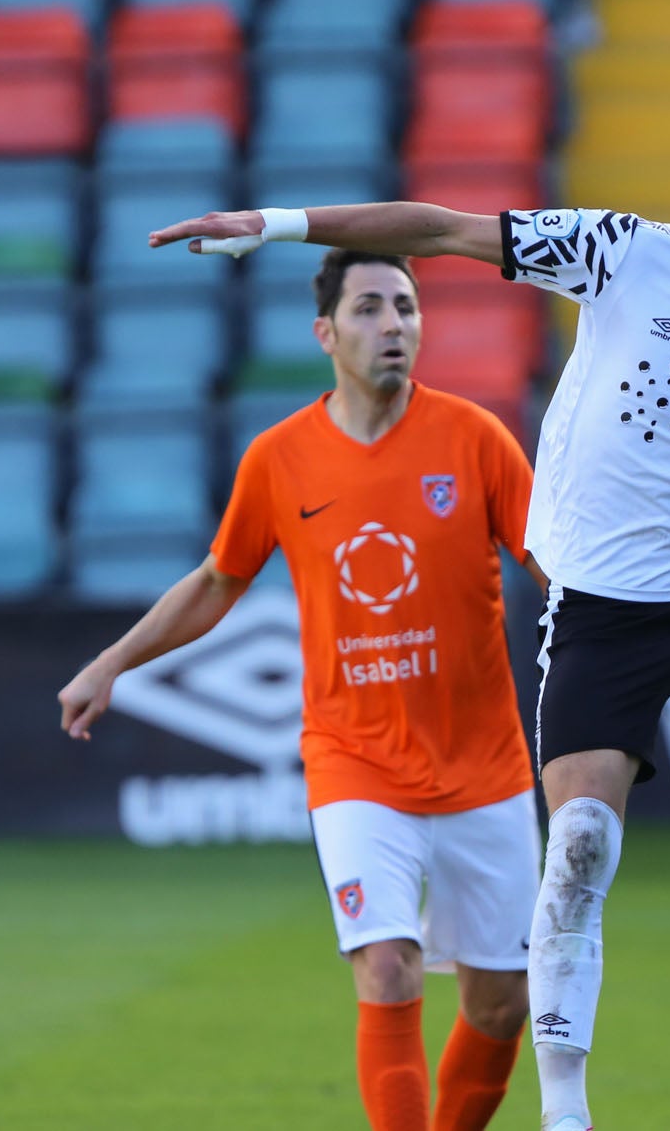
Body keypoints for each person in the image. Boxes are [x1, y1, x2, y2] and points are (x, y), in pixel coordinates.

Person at [150, 108, 670, 1131]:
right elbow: (440, 228)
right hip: (602, 616)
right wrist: (276, 225)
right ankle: (565, 1116)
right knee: (582, 850)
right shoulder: (624, 254)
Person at [56, 250, 544, 1131]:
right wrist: (111, 662)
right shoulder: (280, 458)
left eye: (406, 306)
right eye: (369, 308)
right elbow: (215, 580)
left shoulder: (475, 439)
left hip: (487, 768)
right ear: (326, 333)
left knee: (501, 1004)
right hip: (354, 762)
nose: (393, 324)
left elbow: (556, 567)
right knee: (385, 967)